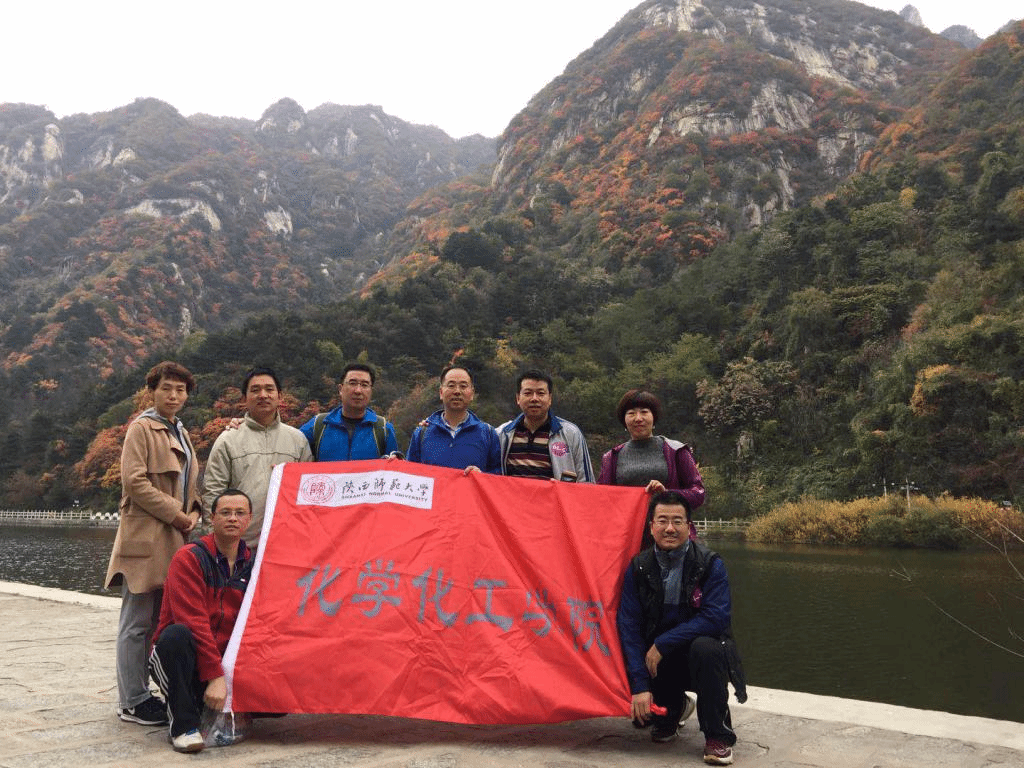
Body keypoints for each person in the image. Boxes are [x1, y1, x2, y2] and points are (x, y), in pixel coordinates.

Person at [104, 361, 202, 727]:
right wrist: (178, 514)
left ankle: (149, 693)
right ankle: (132, 700)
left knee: (161, 620)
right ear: (152, 391)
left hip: (174, 538)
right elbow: (134, 482)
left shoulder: (181, 432)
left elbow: (191, 484)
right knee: (136, 622)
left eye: (180, 389)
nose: (174, 395)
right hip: (144, 539)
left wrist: (195, 512)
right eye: (167, 388)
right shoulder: (141, 428)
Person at [617, 491, 746, 765]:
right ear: (651, 526)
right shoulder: (639, 567)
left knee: (708, 647)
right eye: (662, 521)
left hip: (695, 656)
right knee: (649, 721)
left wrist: (664, 643)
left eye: (677, 521)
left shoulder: (710, 564)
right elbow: (629, 624)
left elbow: (716, 618)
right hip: (657, 660)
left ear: (689, 526)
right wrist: (639, 685)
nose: (670, 528)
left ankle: (717, 735)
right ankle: (672, 711)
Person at [149, 489, 255, 753]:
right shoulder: (189, 558)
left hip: (224, 661)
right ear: (212, 518)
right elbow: (193, 621)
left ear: (249, 519)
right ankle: (183, 726)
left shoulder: (252, 564)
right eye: (225, 512)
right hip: (186, 659)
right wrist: (215, 676)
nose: (233, 518)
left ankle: (207, 703)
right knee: (177, 635)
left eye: (240, 513)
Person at [204, 367, 312, 548]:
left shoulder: (297, 440)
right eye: (255, 390)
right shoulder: (228, 440)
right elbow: (213, 492)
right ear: (244, 398)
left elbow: (308, 494)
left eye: (269, 389)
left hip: (285, 543)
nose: (263, 395)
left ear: (279, 396)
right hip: (238, 545)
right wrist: (213, 543)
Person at [598, 389, 705, 540]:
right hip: (627, 539)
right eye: (631, 413)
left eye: (644, 412)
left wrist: (667, 494)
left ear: (654, 417)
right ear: (624, 420)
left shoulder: (676, 450)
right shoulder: (611, 457)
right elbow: (602, 501)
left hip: (671, 537)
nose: (638, 418)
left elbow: (698, 493)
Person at [496, 369, 595, 482]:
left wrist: (563, 489)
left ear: (550, 398)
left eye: (541, 393)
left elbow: (587, 482)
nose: (534, 398)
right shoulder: (502, 434)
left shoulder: (571, 434)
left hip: (558, 494)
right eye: (528, 393)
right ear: (518, 398)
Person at [406, 365, 501, 473]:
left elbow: (499, 475)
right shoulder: (422, 433)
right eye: (451, 386)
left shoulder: (488, 433)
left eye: (463, 386)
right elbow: (409, 473)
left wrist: (482, 476)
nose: (457, 391)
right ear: (441, 392)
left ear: (472, 393)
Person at [299, 362, 400, 461]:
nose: (358, 390)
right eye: (352, 383)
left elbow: (394, 468)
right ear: (340, 389)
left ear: (371, 391)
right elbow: (295, 451)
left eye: (364, 385)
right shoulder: (318, 426)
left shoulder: (383, 429)